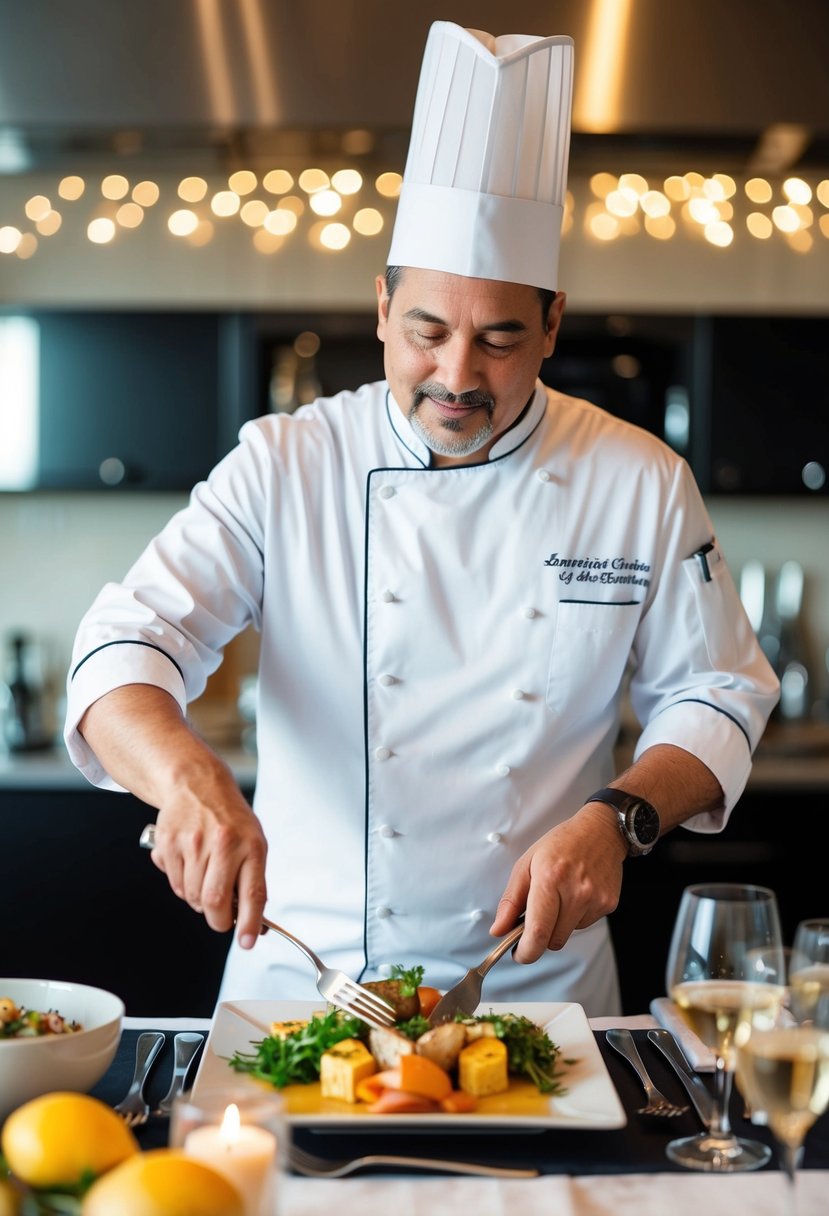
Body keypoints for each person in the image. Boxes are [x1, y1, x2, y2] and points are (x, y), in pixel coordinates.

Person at [64, 22, 778, 1016]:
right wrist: (187, 777)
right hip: (304, 981)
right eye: (427, 332)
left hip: (539, 992)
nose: (456, 377)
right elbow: (125, 647)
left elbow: (719, 691)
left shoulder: (638, 478)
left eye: (498, 340)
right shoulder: (287, 462)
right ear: (380, 306)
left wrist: (617, 818)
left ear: (553, 325)